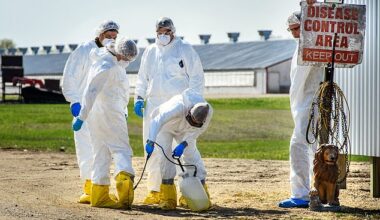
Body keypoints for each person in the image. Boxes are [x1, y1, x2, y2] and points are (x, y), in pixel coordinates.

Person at [133, 17, 205, 205]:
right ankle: (156, 190)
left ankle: (188, 191)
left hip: (180, 106)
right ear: (155, 32)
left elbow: (197, 77)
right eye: (160, 31)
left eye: (167, 31)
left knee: (184, 149)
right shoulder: (150, 51)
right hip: (155, 107)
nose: (163, 35)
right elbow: (142, 77)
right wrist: (139, 98)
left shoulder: (185, 49)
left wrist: (194, 102)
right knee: (156, 150)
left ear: (173, 31)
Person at [71, 37, 138, 209]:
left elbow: (91, 92)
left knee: (101, 152)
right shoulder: (109, 66)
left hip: (96, 115)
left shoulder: (102, 61)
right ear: (120, 53)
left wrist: (84, 117)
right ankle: (124, 188)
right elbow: (91, 92)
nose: (126, 61)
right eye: (126, 58)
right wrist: (81, 117)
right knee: (121, 149)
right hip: (111, 113)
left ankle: (99, 195)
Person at [61, 20, 120, 204]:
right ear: (99, 34)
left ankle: (100, 187)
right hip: (84, 109)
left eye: (114, 37)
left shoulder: (112, 53)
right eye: (108, 36)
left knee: (103, 150)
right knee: (86, 148)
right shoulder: (83, 50)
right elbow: (69, 78)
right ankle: (89, 188)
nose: (111, 39)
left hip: (104, 110)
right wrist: (74, 102)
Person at [278, 11, 324, 208]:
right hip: (305, 104)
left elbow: (302, 82)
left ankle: (302, 194)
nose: (294, 33)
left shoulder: (310, 44)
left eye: (297, 28)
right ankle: (320, 192)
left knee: (299, 145)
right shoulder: (303, 45)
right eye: (291, 30)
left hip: (309, 103)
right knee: (315, 147)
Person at [144, 89, 212, 210]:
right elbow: (156, 121)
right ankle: (168, 198)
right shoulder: (177, 107)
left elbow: (197, 131)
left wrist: (184, 144)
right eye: (192, 120)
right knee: (166, 157)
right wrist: (151, 140)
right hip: (166, 128)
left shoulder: (208, 113)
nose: (194, 123)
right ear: (188, 112)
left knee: (191, 155)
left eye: (196, 123)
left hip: (186, 131)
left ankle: (200, 193)